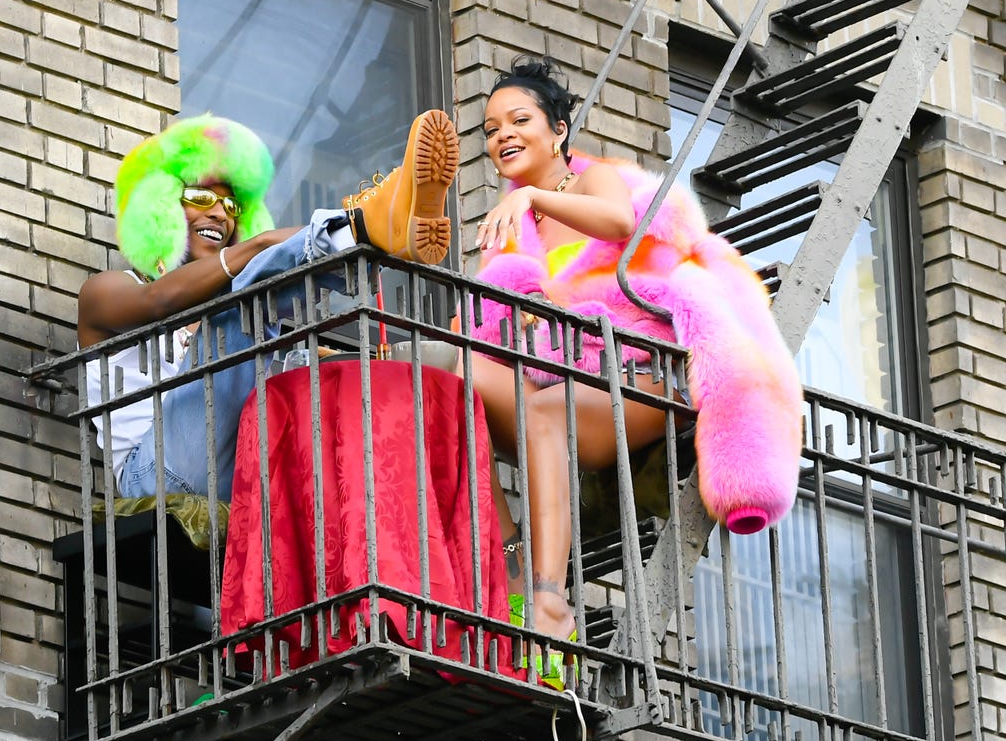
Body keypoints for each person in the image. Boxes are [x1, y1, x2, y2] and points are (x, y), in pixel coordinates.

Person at [462, 57, 803, 646]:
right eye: (492, 129)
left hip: (647, 373)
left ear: (558, 130)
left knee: (549, 410)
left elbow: (619, 220)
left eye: (519, 120)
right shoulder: (514, 228)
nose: (503, 136)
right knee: (448, 372)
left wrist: (535, 199)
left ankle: (549, 603)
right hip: (564, 371)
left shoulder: (592, 181)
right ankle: (510, 552)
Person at [78, 109, 459, 501]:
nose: (218, 213)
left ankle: (371, 231)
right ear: (160, 206)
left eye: (231, 208)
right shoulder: (105, 291)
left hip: (240, 470)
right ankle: (361, 229)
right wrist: (259, 246)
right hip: (154, 475)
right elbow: (159, 300)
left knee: (305, 370)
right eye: (200, 197)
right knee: (244, 305)